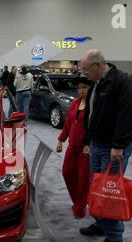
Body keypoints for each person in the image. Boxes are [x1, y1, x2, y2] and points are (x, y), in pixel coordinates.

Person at [80, 49, 132, 242]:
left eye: (85, 69)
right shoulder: (97, 83)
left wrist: (119, 145)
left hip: (113, 148)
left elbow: (126, 116)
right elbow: (91, 114)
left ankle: (114, 236)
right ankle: (102, 224)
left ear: (97, 65)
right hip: (97, 144)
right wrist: (88, 140)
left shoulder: (122, 82)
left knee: (110, 192)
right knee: (96, 188)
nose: (83, 73)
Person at [56, 76, 93, 219]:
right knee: (67, 173)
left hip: (85, 149)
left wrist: (89, 144)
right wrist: (61, 140)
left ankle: (80, 207)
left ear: (90, 89)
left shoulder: (93, 105)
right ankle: (78, 201)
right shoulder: (74, 103)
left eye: (85, 88)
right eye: (79, 88)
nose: (81, 91)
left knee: (83, 180)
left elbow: (95, 127)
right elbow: (68, 124)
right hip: (72, 146)